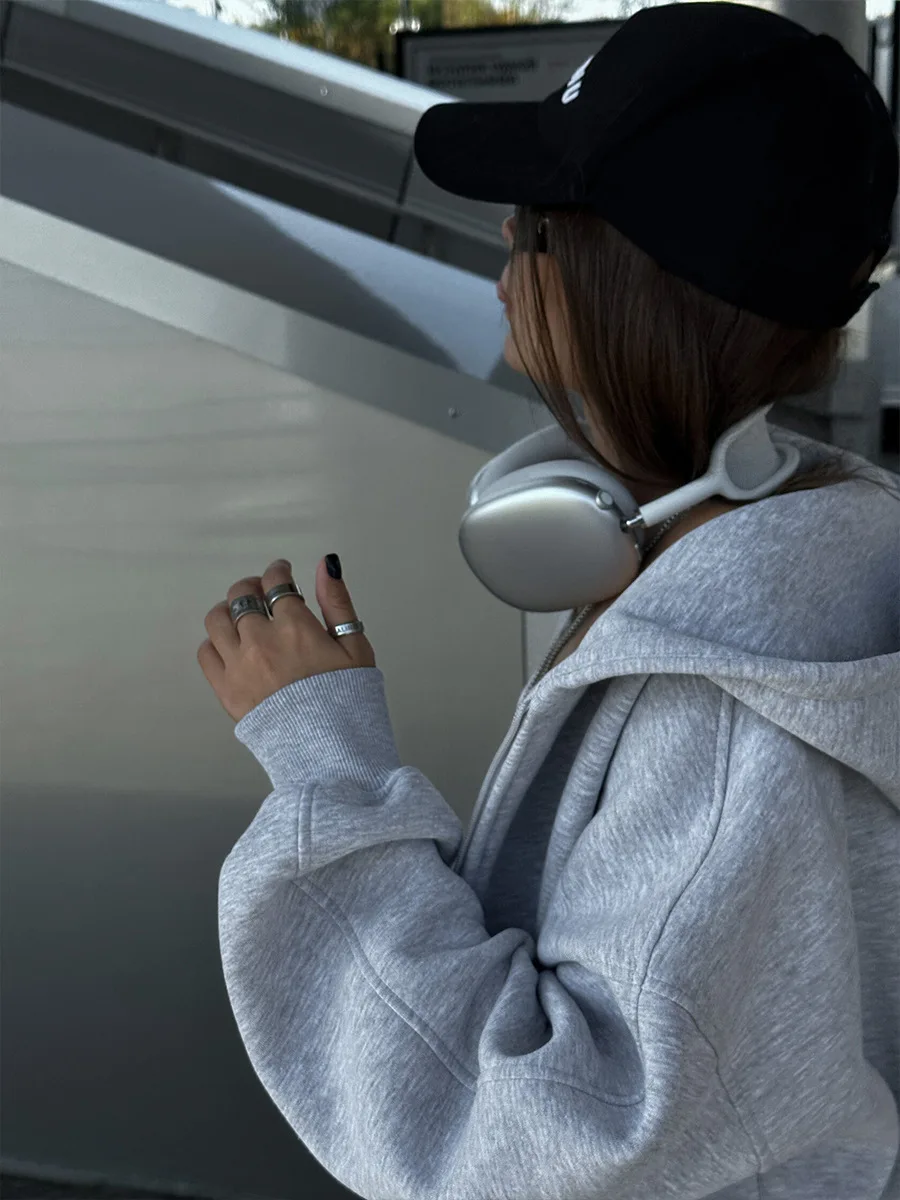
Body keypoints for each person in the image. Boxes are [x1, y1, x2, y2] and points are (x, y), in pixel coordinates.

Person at [216, 5, 900, 1199]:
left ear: (626, 283)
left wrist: (331, 771)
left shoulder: (721, 719)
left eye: (535, 225)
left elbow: (548, 1142)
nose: (504, 244)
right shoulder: (792, 572)